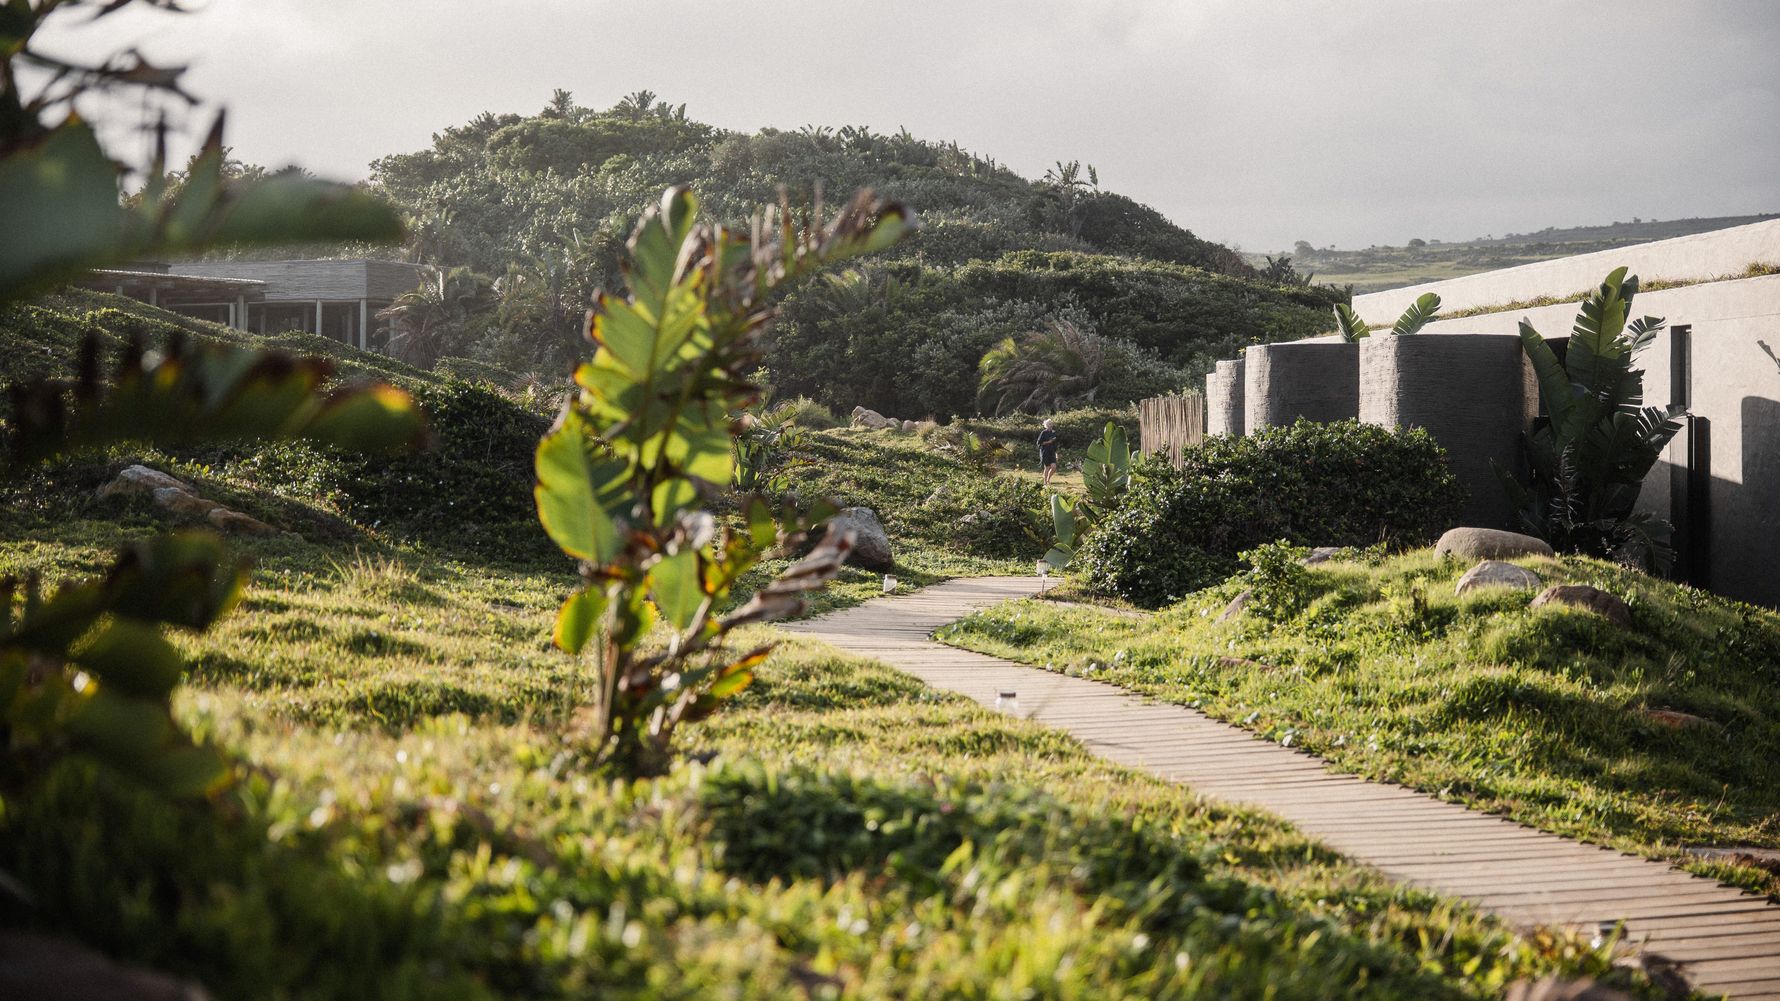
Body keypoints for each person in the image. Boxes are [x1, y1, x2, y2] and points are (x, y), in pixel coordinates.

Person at [1036, 418, 1060, 487]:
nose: (1051, 425)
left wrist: (1056, 453)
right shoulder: (1043, 432)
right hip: (1045, 451)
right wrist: (1048, 442)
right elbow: (1038, 443)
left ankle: (1048, 480)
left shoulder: (1053, 433)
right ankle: (1045, 482)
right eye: (1049, 424)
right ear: (1046, 425)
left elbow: (1055, 444)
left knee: (1054, 467)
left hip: (1052, 452)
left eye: (1051, 424)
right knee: (1047, 467)